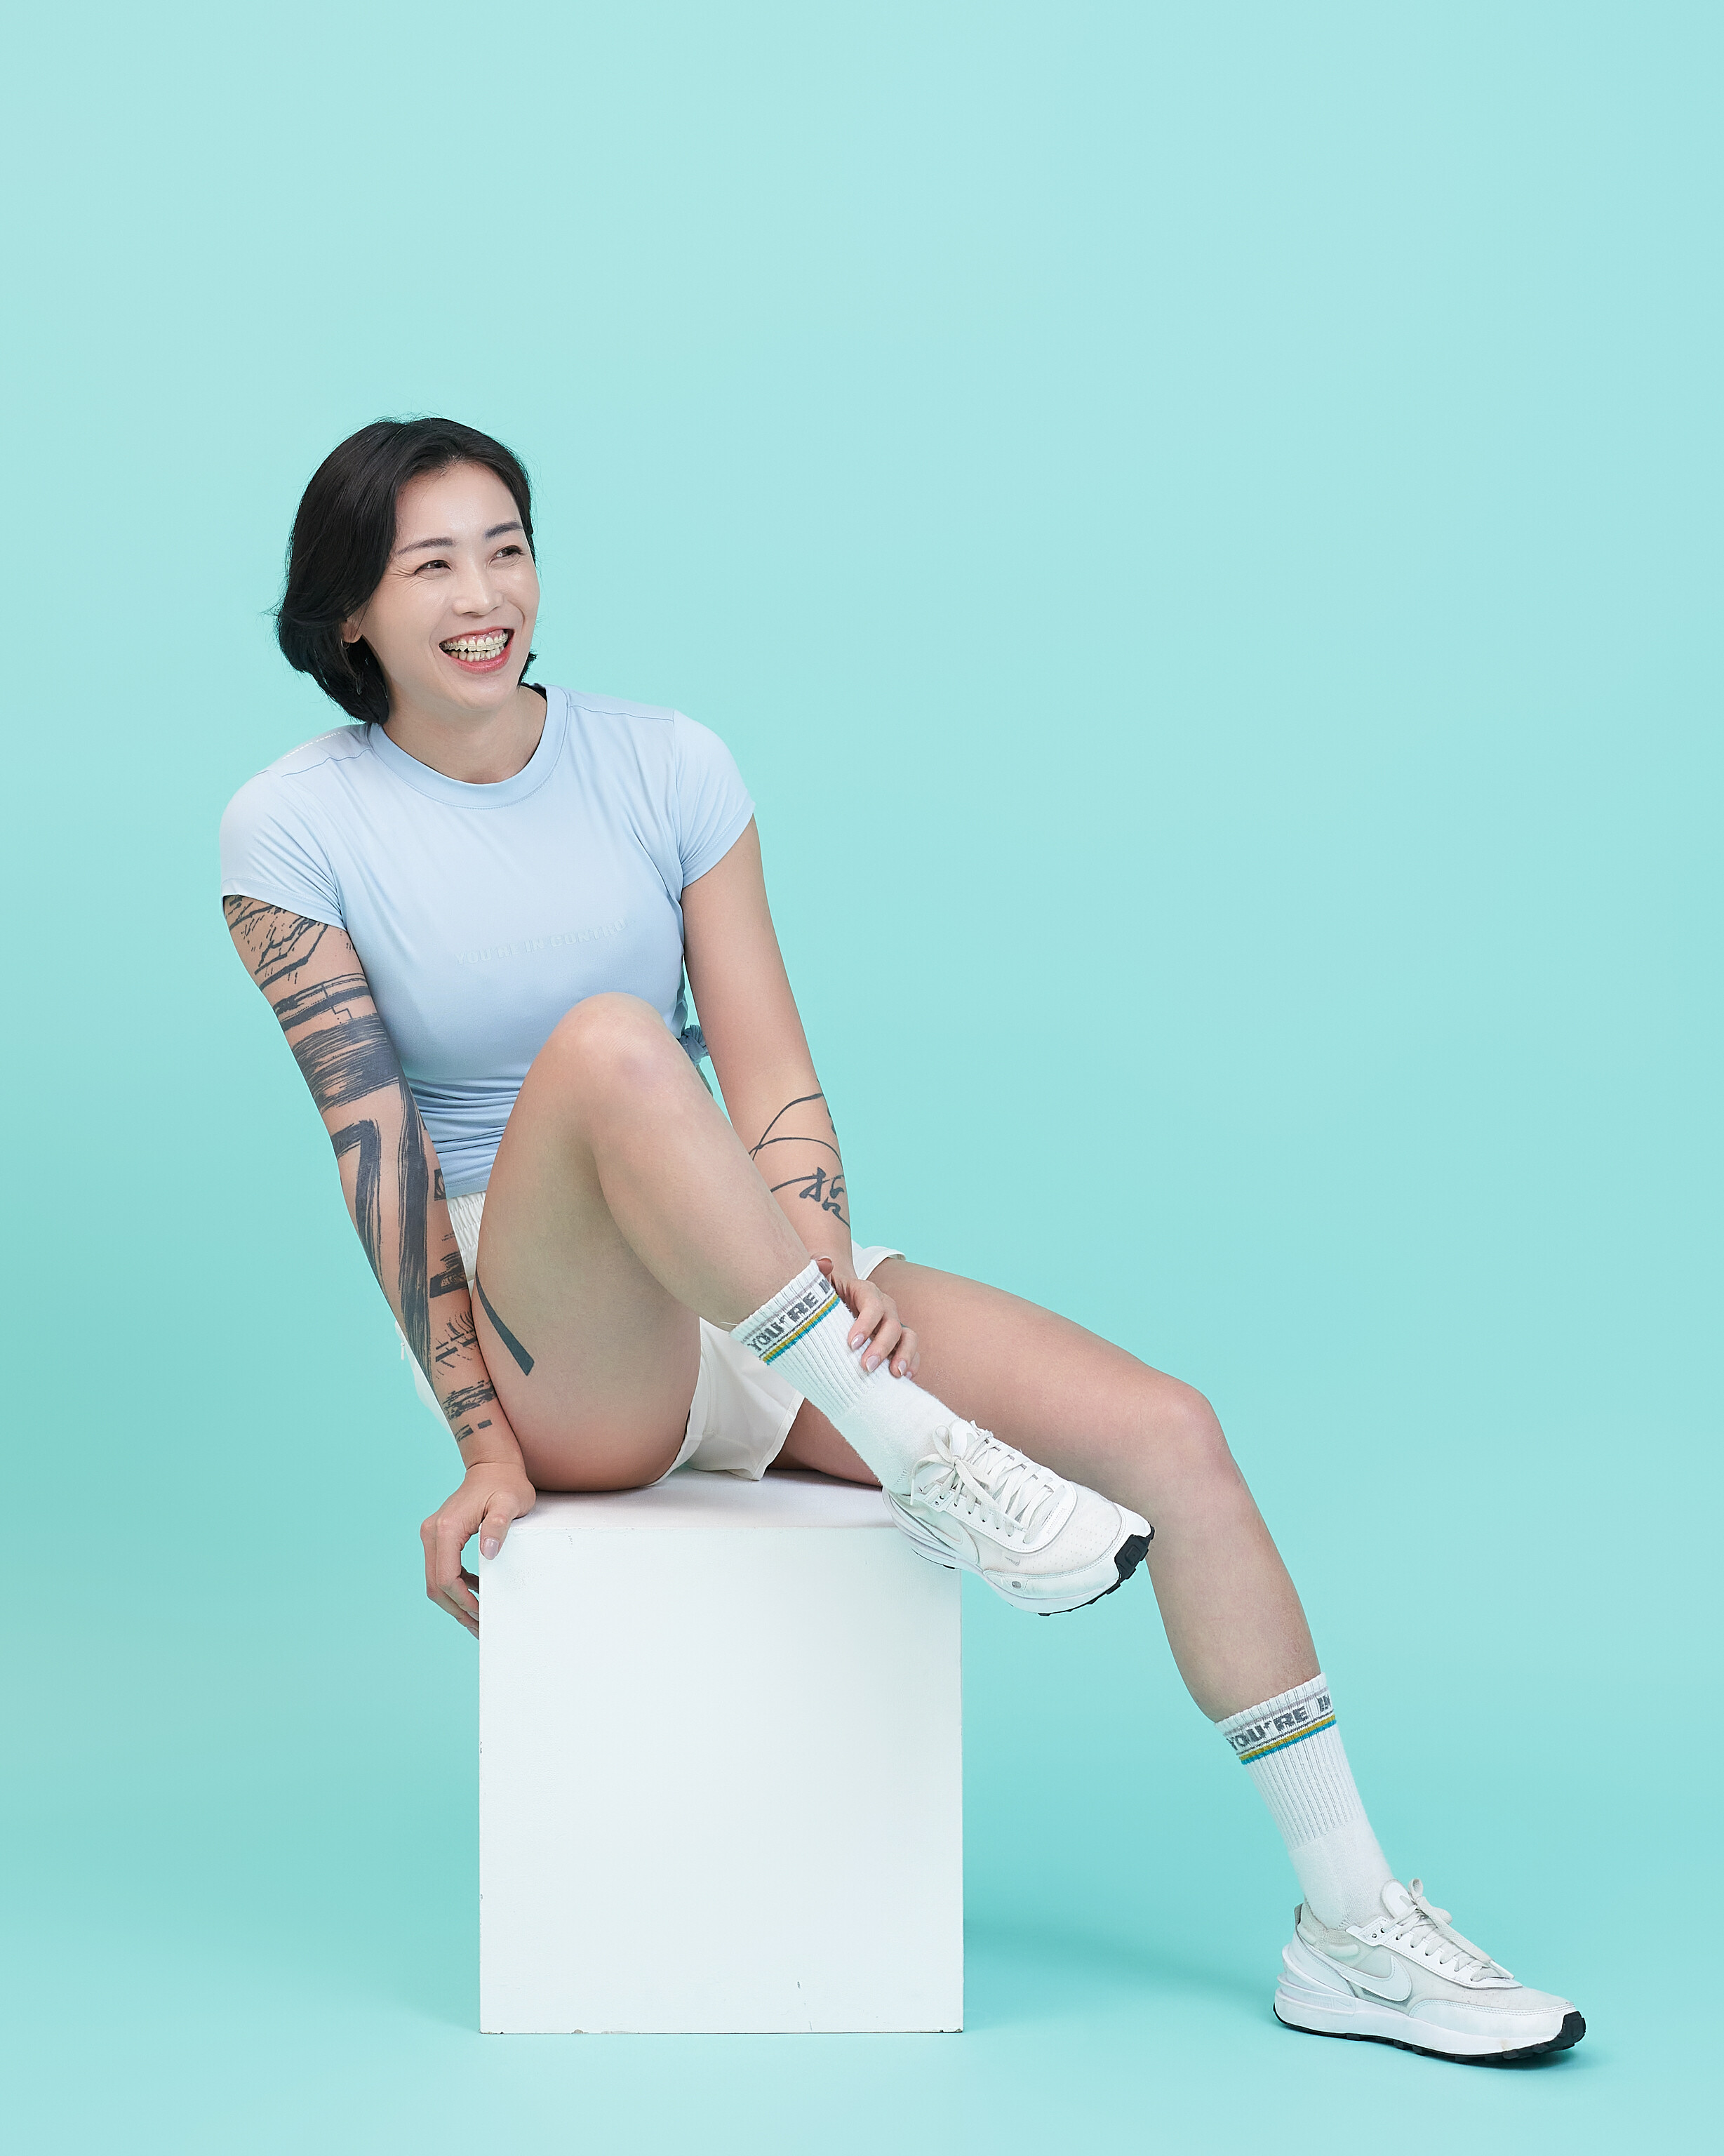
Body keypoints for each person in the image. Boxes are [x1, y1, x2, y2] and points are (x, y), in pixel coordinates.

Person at [220, 417, 1583, 2064]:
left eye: (506, 547)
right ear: (349, 613)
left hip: (744, 1272)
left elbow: (771, 1072)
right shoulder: (291, 827)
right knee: (609, 1045)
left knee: (1172, 1435)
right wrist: (478, 1442)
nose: (483, 594)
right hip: (554, 1334)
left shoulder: (667, 764)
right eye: (431, 564)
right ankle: (919, 1450)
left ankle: (1352, 1929)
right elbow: (371, 1155)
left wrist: (825, 1267)